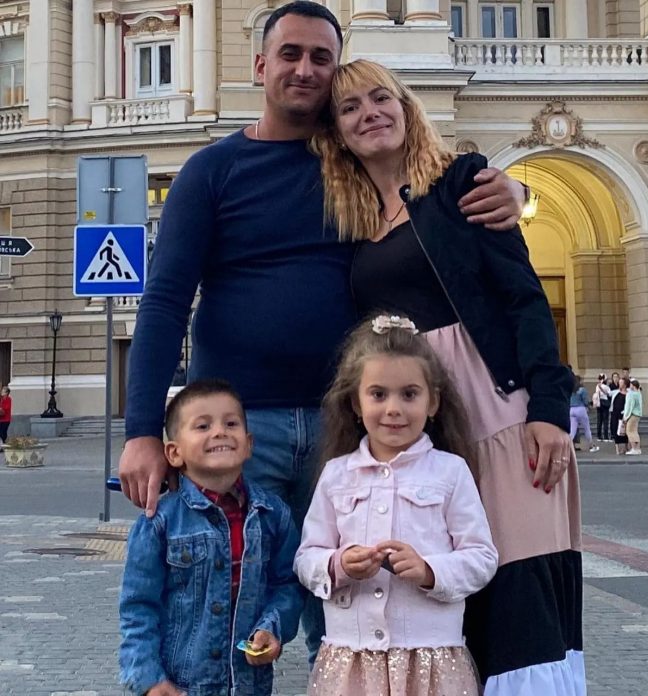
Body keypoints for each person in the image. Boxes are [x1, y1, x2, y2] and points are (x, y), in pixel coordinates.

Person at [118, 0, 524, 659]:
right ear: (261, 66)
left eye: (321, 58)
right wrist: (142, 430)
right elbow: (164, 302)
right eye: (290, 54)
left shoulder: (357, 161)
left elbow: (435, 184)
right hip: (239, 431)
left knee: (351, 618)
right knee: (222, 617)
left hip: (349, 433)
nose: (305, 69)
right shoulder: (211, 171)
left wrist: (506, 189)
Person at [312, 59, 584, 694]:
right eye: (350, 108)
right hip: (420, 430)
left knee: (518, 592)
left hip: (497, 411)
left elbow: (524, 298)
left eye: (381, 98)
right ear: (337, 133)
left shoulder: (459, 183)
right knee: (439, 590)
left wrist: (547, 408)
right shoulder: (354, 221)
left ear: (406, 107)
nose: (369, 114)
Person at [294, 316, 498, 696]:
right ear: (355, 403)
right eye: (378, 394)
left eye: (409, 394)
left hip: (431, 660)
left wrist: (430, 571)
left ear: (433, 401)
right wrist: (338, 564)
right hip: (352, 661)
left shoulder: (450, 471)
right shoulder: (337, 474)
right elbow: (307, 557)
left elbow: (482, 557)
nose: (393, 408)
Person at [119, 380, 305, 696]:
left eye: (231, 424)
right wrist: (148, 679)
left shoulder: (273, 515)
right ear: (174, 453)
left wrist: (272, 628)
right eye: (203, 426)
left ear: (249, 444)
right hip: (180, 686)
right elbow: (138, 608)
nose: (219, 432)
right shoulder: (159, 524)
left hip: (249, 685)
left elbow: (288, 584)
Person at [570, 375, 599, 453]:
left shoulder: (570, 390)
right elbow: (585, 401)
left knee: (572, 430)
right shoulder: (582, 390)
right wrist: (589, 406)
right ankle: (591, 445)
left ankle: (568, 445)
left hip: (571, 409)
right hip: (580, 409)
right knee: (587, 428)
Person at [623, 378, 643, 455]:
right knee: (635, 431)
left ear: (633, 386)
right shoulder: (638, 393)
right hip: (637, 414)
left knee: (629, 431)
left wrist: (626, 416)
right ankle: (638, 448)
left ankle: (634, 448)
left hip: (632, 414)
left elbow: (629, 406)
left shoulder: (631, 394)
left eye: (630, 385)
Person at [611, 377, 630, 455]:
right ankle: (617, 449)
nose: (619, 384)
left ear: (625, 384)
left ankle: (626, 447)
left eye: (621, 382)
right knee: (616, 430)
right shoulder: (616, 392)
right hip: (615, 414)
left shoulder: (629, 394)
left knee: (625, 432)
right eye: (619, 382)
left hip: (624, 414)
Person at [593, 373, 611, 441]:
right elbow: (609, 394)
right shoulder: (607, 387)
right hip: (605, 402)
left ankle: (599, 436)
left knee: (599, 420)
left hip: (599, 403)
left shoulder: (597, 386)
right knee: (605, 420)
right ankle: (606, 436)